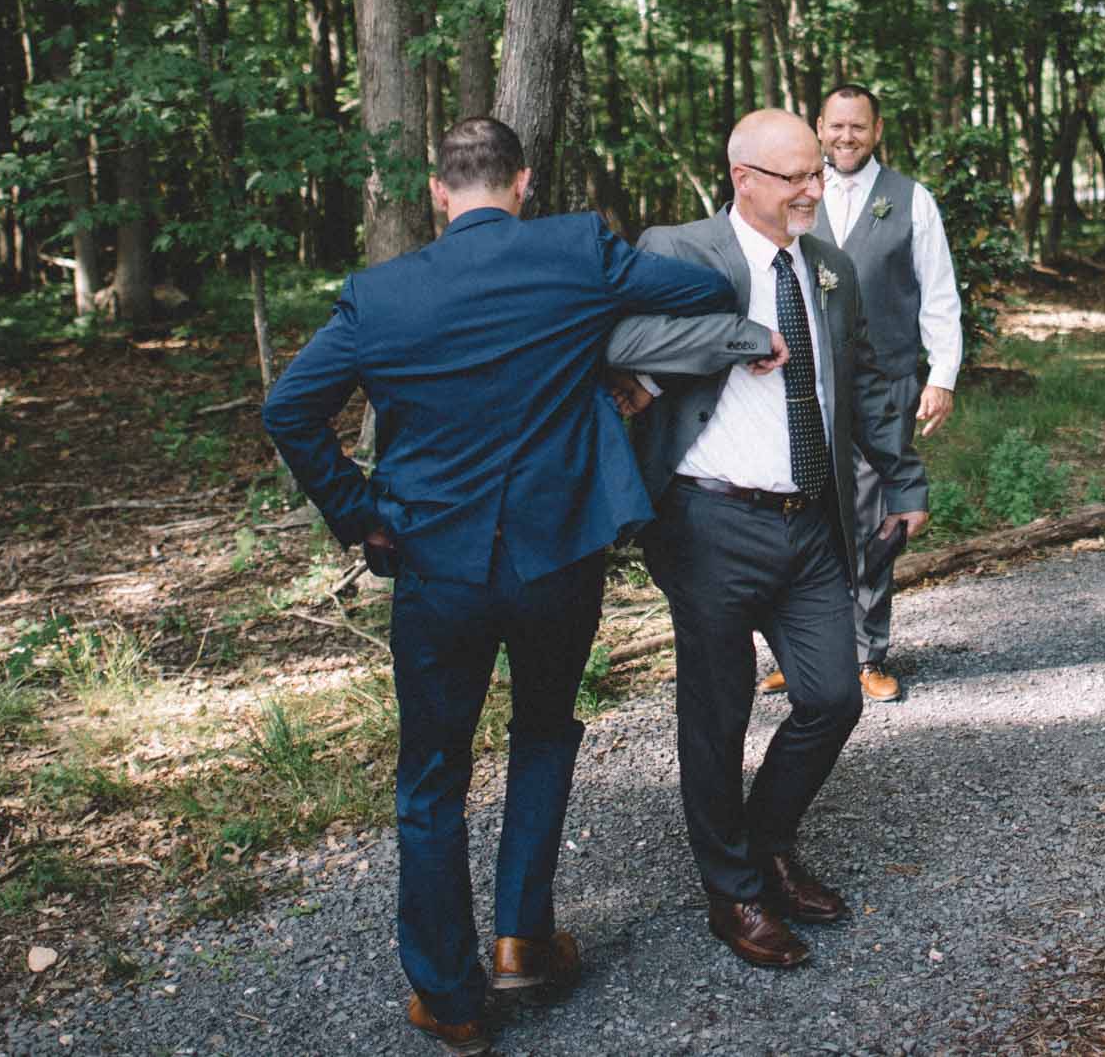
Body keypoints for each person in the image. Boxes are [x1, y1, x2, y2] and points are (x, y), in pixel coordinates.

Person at [260, 116, 761, 1054]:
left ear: (439, 193)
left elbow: (287, 408)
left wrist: (360, 512)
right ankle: (523, 935)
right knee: (541, 730)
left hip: (435, 565)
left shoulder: (380, 294)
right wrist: (601, 346)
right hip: (554, 557)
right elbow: (707, 281)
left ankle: (451, 998)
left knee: (432, 775)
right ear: (523, 182)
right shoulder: (574, 251)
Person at [606, 108, 929, 970]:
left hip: (811, 520)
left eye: (818, 174)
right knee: (716, 714)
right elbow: (621, 340)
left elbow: (861, 378)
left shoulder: (827, 266)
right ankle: (734, 893)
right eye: (797, 177)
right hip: (710, 521)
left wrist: (902, 478)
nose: (815, 191)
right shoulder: (679, 251)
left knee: (833, 696)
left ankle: (767, 843)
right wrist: (738, 335)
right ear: (743, 177)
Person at [780, 82, 961, 704]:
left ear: (876, 131)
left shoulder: (912, 200)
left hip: (886, 383)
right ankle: (801, 652)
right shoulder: (797, 194)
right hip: (804, 383)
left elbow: (938, 293)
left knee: (873, 517)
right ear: (819, 128)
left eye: (858, 127)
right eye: (835, 127)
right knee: (802, 512)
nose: (845, 138)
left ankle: (866, 654)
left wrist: (942, 376)